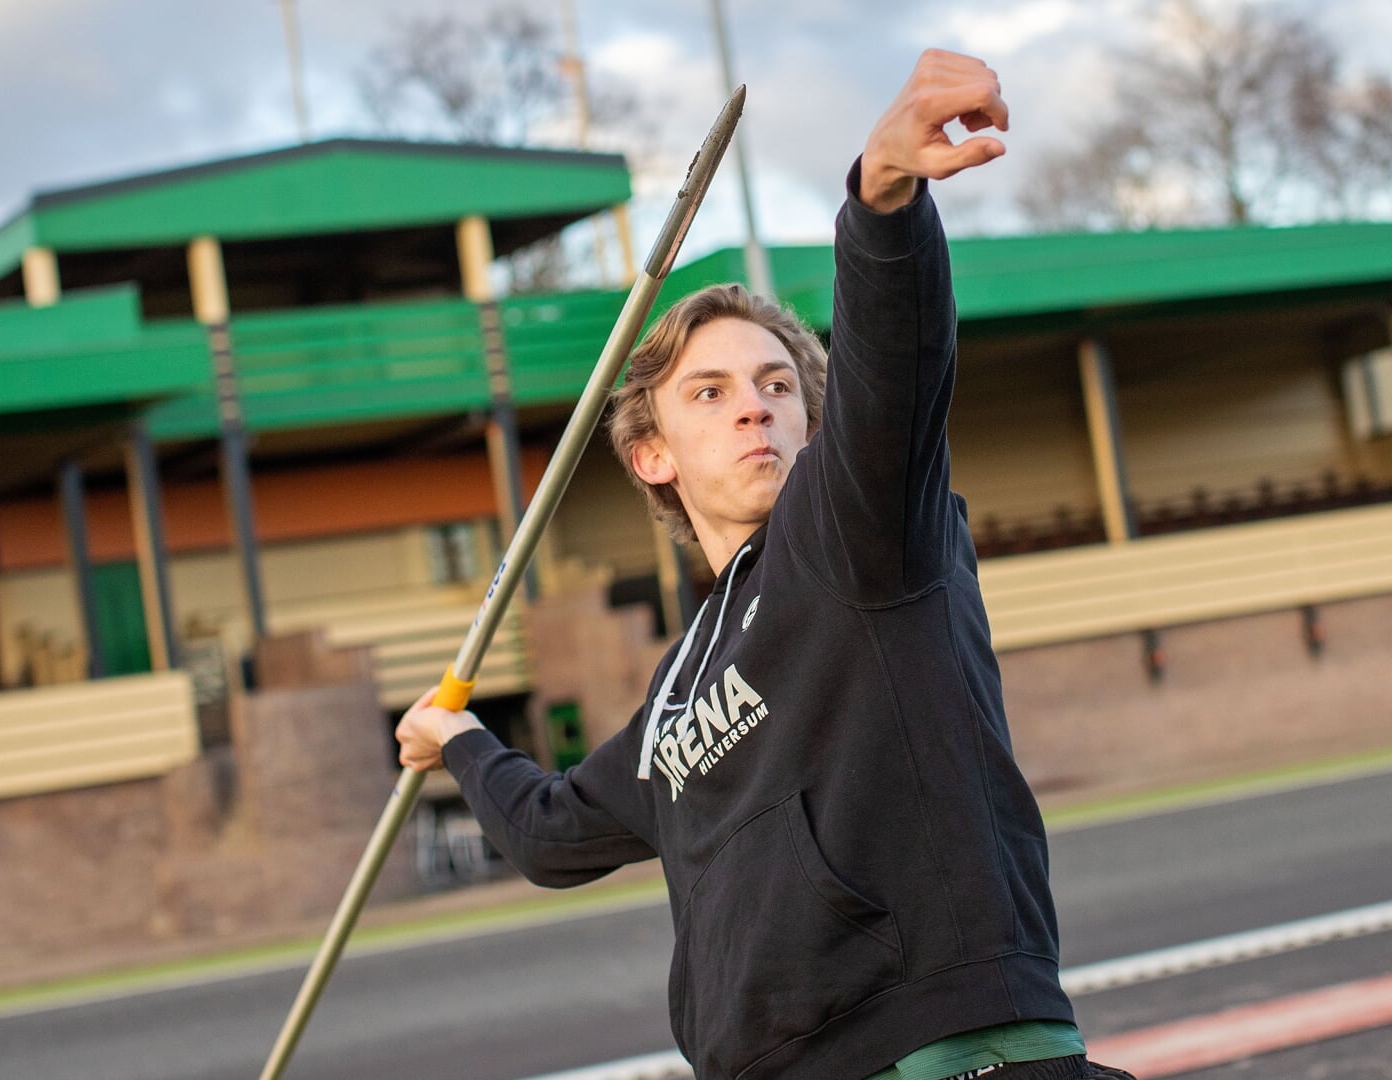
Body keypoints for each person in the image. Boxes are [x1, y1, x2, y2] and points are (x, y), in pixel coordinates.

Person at [396, 49, 1136, 1080]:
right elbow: (551, 835)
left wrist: (880, 203)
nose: (753, 403)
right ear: (650, 454)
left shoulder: (856, 532)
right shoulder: (674, 692)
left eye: (776, 383)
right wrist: (459, 738)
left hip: (939, 1055)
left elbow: (893, 371)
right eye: (708, 392)